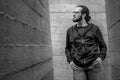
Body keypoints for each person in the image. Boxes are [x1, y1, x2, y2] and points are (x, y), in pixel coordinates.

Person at [65, 5, 107, 80]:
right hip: (78, 67)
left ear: (84, 15)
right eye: (73, 12)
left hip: (94, 65)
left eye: (77, 12)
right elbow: (67, 48)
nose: (73, 14)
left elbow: (103, 46)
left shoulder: (94, 28)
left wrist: (100, 58)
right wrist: (70, 61)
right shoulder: (70, 31)